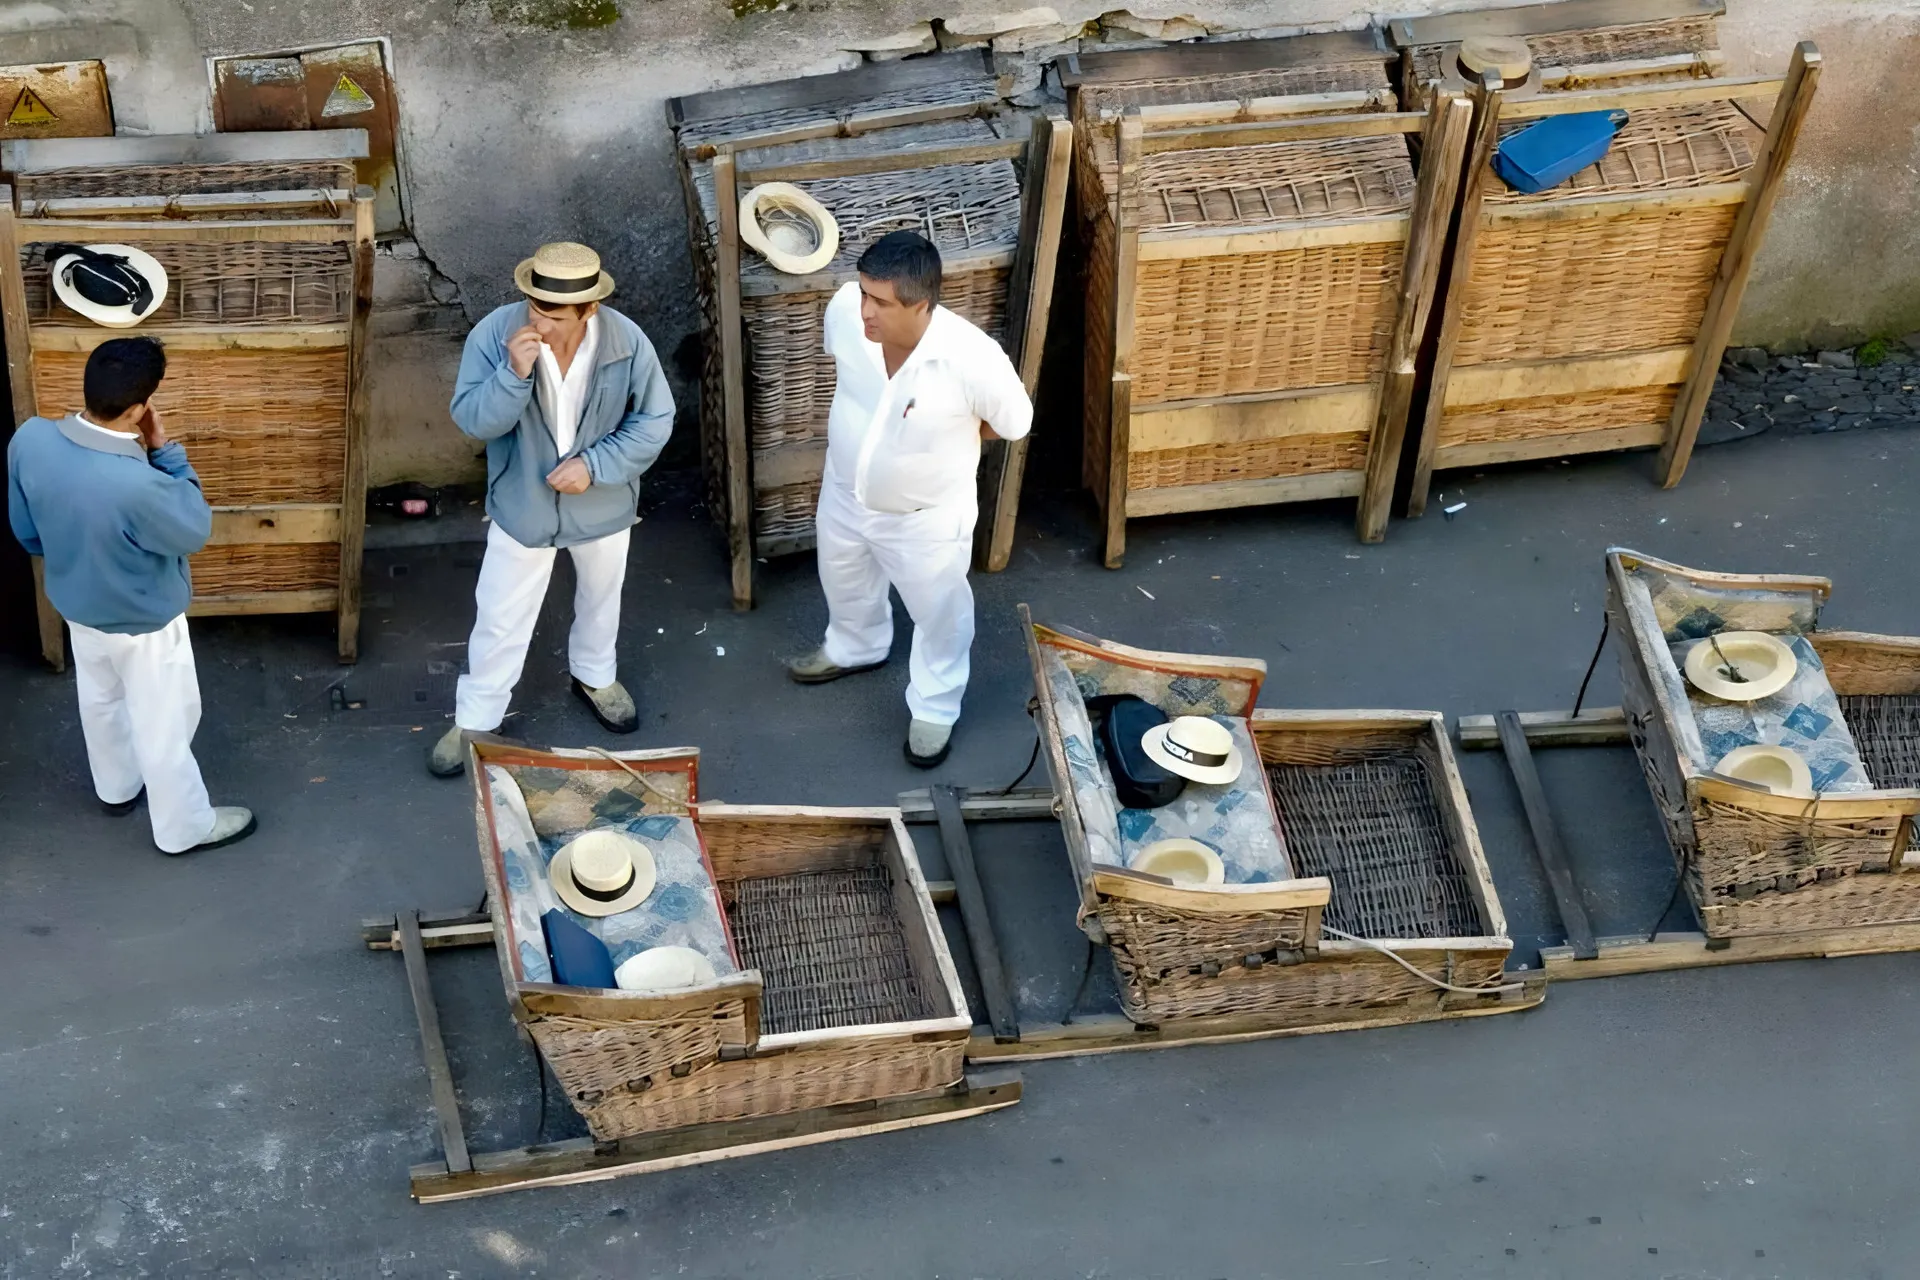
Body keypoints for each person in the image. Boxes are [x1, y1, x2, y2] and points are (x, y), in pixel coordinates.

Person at [785, 230, 1033, 768]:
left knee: (939, 612)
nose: (864, 310)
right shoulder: (845, 313)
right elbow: (848, 377)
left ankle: (936, 708)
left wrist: (951, 437)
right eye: (862, 293)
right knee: (843, 575)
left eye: (880, 302)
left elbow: (1014, 423)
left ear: (921, 305)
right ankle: (856, 646)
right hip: (845, 492)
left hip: (925, 517)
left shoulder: (972, 358)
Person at [430, 241, 675, 777]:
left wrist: (596, 464)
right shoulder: (496, 335)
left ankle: (595, 675)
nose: (539, 320)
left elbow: (656, 419)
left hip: (603, 500)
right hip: (524, 502)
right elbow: (472, 420)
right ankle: (476, 716)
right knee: (499, 611)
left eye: (553, 313)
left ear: (589, 308)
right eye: (534, 304)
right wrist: (512, 375)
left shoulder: (627, 340)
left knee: (601, 595)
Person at [6, 336, 255, 853]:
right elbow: (193, 529)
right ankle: (184, 827)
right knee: (165, 721)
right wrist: (166, 451)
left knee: (100, 699)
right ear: (141, 408)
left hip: (77, 605)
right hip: (145, 623)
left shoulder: (29, 440)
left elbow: (26, 531)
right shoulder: (137, 484)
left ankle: (116, 788)